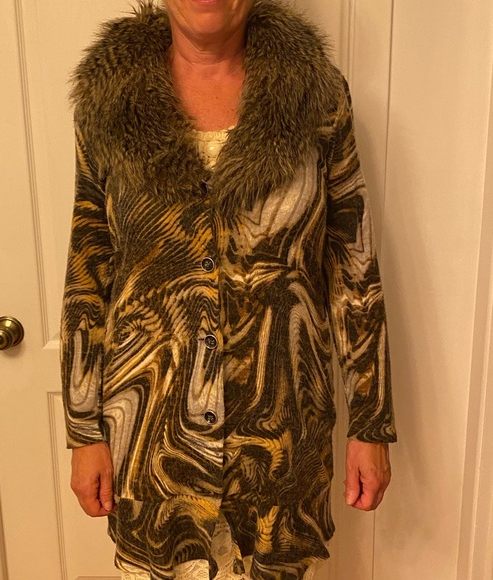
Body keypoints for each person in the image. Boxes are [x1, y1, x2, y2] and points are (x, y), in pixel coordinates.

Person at [60, 0, 397, 578]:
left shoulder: (316, 96)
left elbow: (352, 266)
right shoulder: (109, 103)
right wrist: (83, 430)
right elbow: (89, 271)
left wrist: (371, 423)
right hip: (153, 447)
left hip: (281, 450)